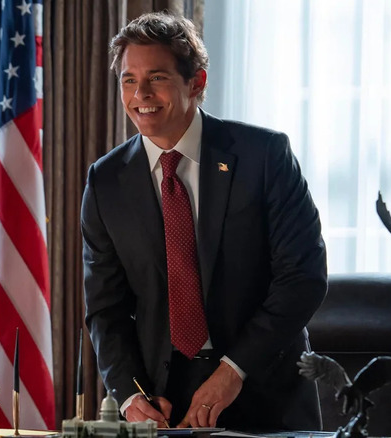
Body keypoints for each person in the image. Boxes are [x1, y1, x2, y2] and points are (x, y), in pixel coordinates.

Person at [81, 12, 327, 431]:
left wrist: (233, 371)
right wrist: (130, 396)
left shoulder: (264, 156)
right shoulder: (105, 181)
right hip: (166, 406)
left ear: (197, 83)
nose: (140, 93)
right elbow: (106, 309)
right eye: (128, 79)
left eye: (156, 77)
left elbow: (302, 278)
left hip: (265, 390)